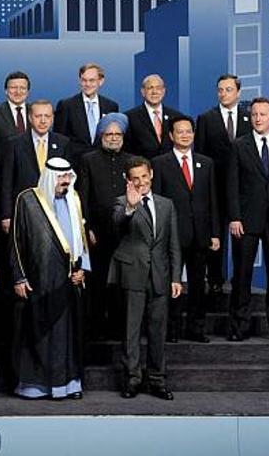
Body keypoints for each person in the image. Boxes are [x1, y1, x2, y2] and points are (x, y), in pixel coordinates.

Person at [11, 157, 89, 400]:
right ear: (49, 177)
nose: (65, 181)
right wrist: (19, 277)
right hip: (38, 280)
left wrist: (82, 269)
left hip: (68, 280)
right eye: (61, 177)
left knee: (68, 335)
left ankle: (69, 385)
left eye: (68, 176)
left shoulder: (73, 199)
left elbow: (81, 239)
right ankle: (37, 387)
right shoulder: (28, 200)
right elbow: (15, 241)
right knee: (40, 334)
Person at [109, 156, 182, 400]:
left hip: (160, 277)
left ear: (150, 174)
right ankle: (132, 380)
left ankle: (157, 381)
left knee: (158, 331)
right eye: (135, 178)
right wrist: (131, 208)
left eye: (144, 176)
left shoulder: (166, 204)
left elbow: (173, 245)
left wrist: (175, 277)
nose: (141, 182)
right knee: (131, 331)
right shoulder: (121, 203)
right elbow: (117, 225)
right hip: (133, 275)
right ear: (128, 180)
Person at [226, 97, 269, 343]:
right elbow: (231, 185)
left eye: (263, 114)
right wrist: (234, 217)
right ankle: (238, 326)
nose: (258, 119)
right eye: (254, 114)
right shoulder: (238, 146)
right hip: (246, 220)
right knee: (242, 275)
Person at [151, 116, 219, 343]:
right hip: (172, 236)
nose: (185, 135)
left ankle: (196, 328)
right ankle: (172, 329)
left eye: (189, 131)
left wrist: (215, 233)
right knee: (172, 284)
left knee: (199, 285)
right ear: (171, 136)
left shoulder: (206, 163)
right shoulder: (160, 163)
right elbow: (157, 201)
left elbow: (213, 202)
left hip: (200, 235)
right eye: (180, 132)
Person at [76, 113, 132, 340]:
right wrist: (86, 227)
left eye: (117, 134)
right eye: (108, 134)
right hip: (96, 233)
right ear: (101, 136)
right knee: (97, 284)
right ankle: (96, 330)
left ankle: (120, 329)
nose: (113, 138)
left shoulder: (131, 160)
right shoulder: (88, 160)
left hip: (126, 233)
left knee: (122, 284)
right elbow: (83, 196)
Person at [194, 74, 251, 294]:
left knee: (241, 236)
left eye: (228, 89)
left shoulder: (249, 118)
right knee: (215, 235)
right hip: (215, 188)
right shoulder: (206, 118)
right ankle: (215, 278)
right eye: (220, 90)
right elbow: (199, 154)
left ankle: (239, 279)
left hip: (242, 190)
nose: (223, 93)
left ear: (238, 92)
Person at [0, 100, 70, 233]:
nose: (43, 121)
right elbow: (7, 182)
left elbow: (68, 180)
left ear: (52, 119)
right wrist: (6, 215)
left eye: (47, 116)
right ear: (30, 118)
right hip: (24, 209)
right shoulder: (14, 144)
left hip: (55, 210)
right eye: (38, 116)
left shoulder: (63, 143)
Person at [53, 63, 120, 164]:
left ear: (101, 81)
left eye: (92, 80)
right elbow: (59, 139)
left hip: (102, 163)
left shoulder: (111, 106)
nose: (87, 84)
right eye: (84, 80)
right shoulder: (66, 105)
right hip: (75, 164)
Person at [123, 74, 183, 159]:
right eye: (150, 88)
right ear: (143, 92)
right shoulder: (130, 117)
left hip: (170, 168)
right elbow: (126, 150)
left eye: (158, 88)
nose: (154, 92)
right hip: (143, 169)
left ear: (163, 91)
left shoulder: (176, 116)